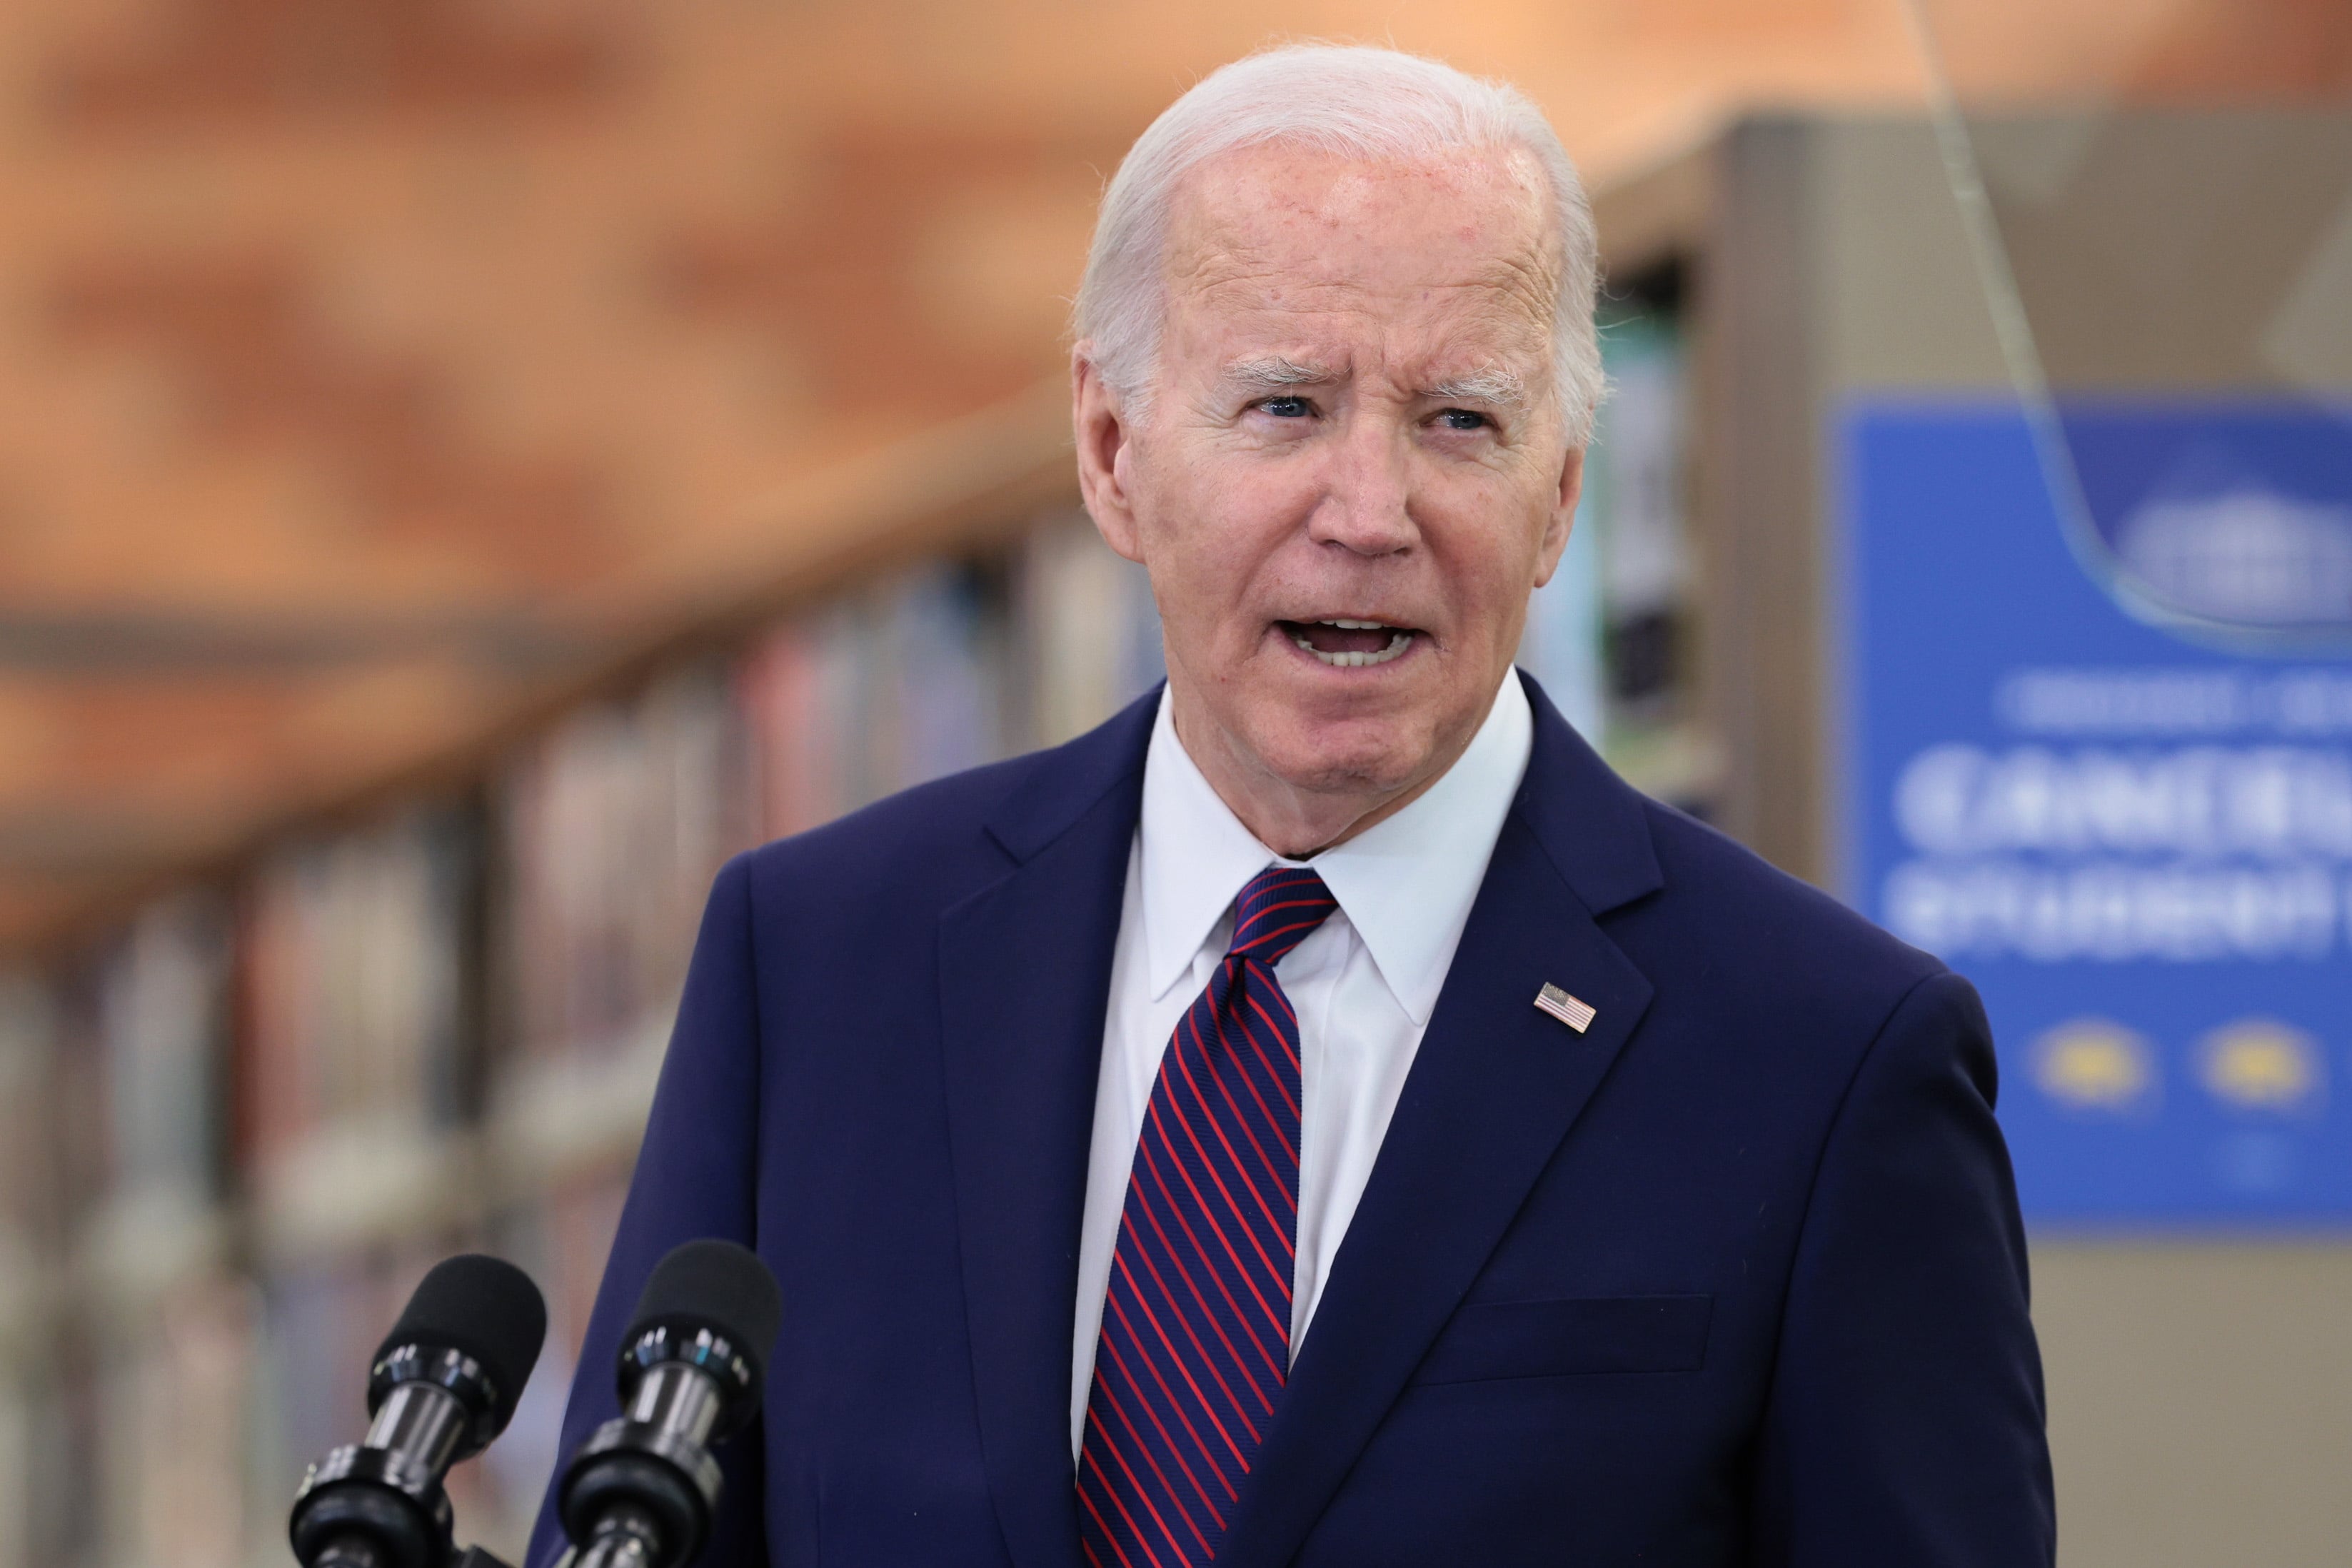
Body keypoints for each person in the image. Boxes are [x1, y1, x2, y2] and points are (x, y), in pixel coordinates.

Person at [529, 43, 2054, 1568]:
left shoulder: (1827, 1057)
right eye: (1284, 407)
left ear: (1565, 494)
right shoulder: (815, 970)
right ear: (1113, 454)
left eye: (1461, 420)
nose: (1370, 511)